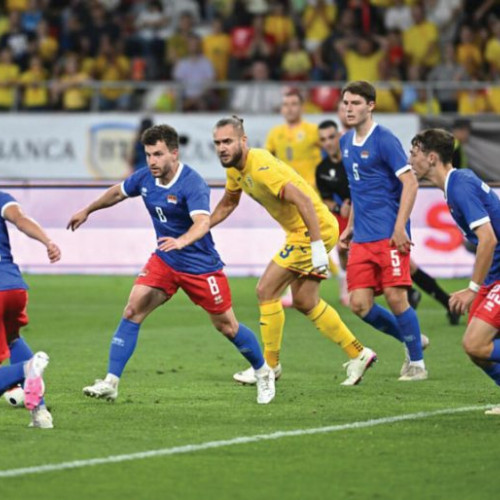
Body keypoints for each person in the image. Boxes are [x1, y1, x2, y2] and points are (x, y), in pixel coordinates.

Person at [67, 124, 275, 405]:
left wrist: (182, 241)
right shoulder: (145, 178)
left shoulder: (192, 183)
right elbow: (117, 192)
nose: (152, 161)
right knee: (132, 310)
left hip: (201, 266)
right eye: (149, 154)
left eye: (158, 154)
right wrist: (87, 210)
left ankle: (263, 371)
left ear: (174, 154)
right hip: (165, 260)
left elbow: (202, 222)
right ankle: (111, 382)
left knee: (227, 326)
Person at [211, 116, 376, 387]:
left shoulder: (261, 166)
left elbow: (303, 201)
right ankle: (358, 353)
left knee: (266, 291)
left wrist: (315, 247)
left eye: (227, 141)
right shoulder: (234, 169)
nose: (222, 148)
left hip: (312, 230)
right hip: (311, 231)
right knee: (305, 301)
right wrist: (204, 225)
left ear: (243, 141)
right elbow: (229, 202)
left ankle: (269, 366)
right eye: (217, 143)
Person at [338, 80, 427, 381]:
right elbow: (357, 187)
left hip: (389, 233)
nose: (349, 109)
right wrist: (350, 225)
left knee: (395, 297)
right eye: (346, 103)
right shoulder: (345, 142)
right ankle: (411, 337)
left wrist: (400, 226)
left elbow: (411, 182)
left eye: (356, 103)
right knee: (359, 305)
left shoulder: (385, 140)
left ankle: (416, 363)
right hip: (362, 236)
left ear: (371, 106)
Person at [409, 128, 500, 415]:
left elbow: (489, 239)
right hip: (494, 273)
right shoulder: (457, 183)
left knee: (476, 344)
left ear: (432, 158)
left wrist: (472, 289)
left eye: (414, 153)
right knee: (475, 349)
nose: (410, 159)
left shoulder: (459, 185)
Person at [0, 190, 61, 428]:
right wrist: (47, 241)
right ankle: (40, 413)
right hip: (13, 286)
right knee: (13, 338)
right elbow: (21, 220)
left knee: (25, 367)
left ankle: (26, 368)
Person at [265, 89, 323, 307]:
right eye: (286, 104)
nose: (289, 108)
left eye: (293, 104)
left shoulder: (312, 131)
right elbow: (267, 161)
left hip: (311, 195)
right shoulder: (275, 133)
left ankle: (340, 281)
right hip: (287, 196)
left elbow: (329, 151)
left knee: (309, 238)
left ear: (302, 107)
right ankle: (297, 288)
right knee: (298, 239)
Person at [315, 119, 350, 306]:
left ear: (338, 136)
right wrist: (338, 208)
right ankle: (349, 283)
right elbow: (326, 199)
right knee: (342, 250)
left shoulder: (353, 158)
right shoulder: (322, 170)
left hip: (366, 211)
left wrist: (353, 203)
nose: (328, 142)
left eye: (331, 137)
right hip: (343, 215)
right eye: (323, 139)